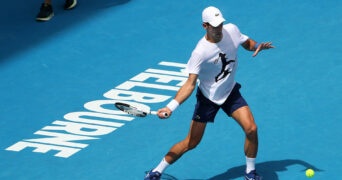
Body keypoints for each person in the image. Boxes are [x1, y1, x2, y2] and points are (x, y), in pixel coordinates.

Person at [144, 6, 274, 180]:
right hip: (208, 98)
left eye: (220, 24)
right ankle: (157, 170)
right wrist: (170, 107)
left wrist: (257, 46)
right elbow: (190, 84)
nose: (219, 28)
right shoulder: (200, 52)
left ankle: (250, 173)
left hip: (230, 93)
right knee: (192, 142)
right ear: (205, 26)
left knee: (251, 129)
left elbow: (246, 42)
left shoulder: (232, 30)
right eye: (214, 26)